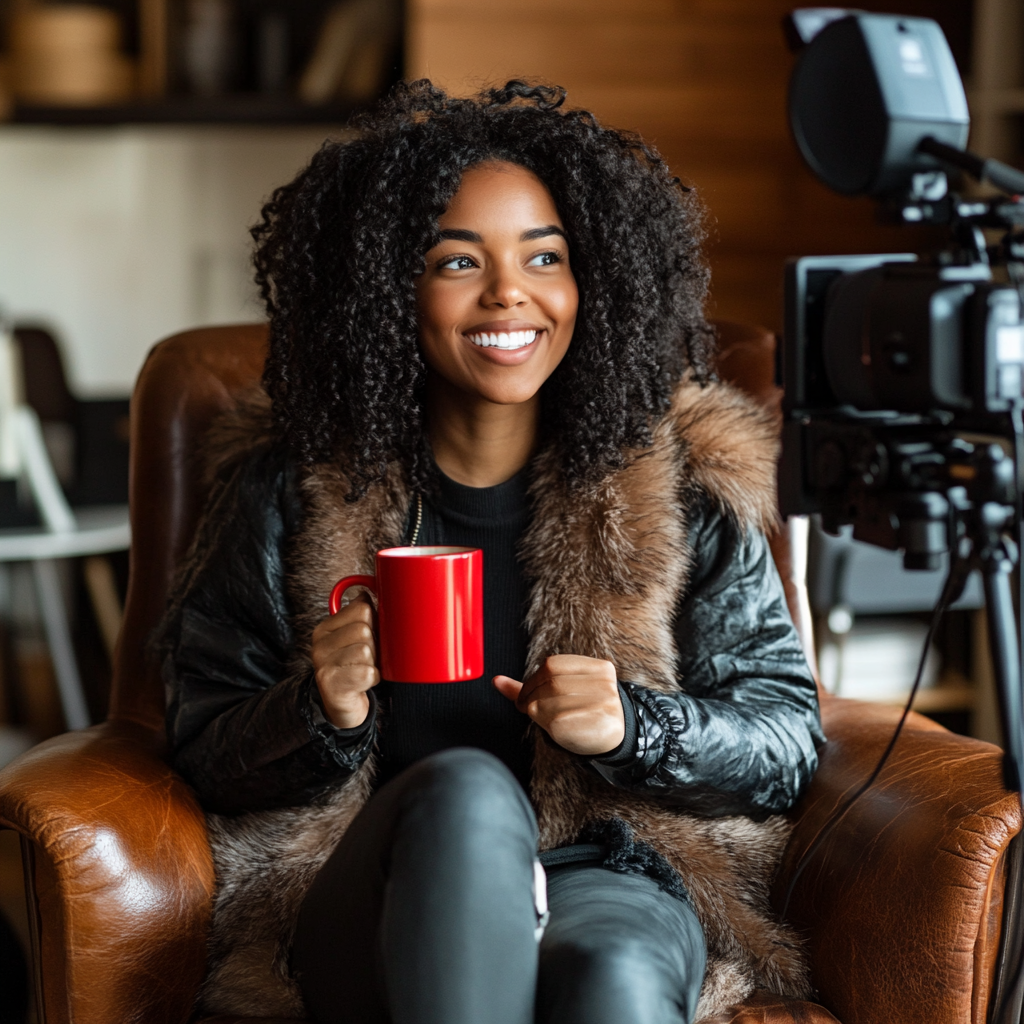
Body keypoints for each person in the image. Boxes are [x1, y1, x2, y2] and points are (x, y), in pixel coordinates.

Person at [159, 80, 823, 1024]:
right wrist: (318, 710)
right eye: (458, 260)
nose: (510, 292)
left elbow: (786, 737)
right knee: (467, 792)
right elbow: (200, 741)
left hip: (604, 864)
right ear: (388, 290)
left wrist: (639, 728)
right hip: (371, 881)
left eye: (544, 256)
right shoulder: (287, 489)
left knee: (615, 982)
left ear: (591, 280)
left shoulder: (682, 491)